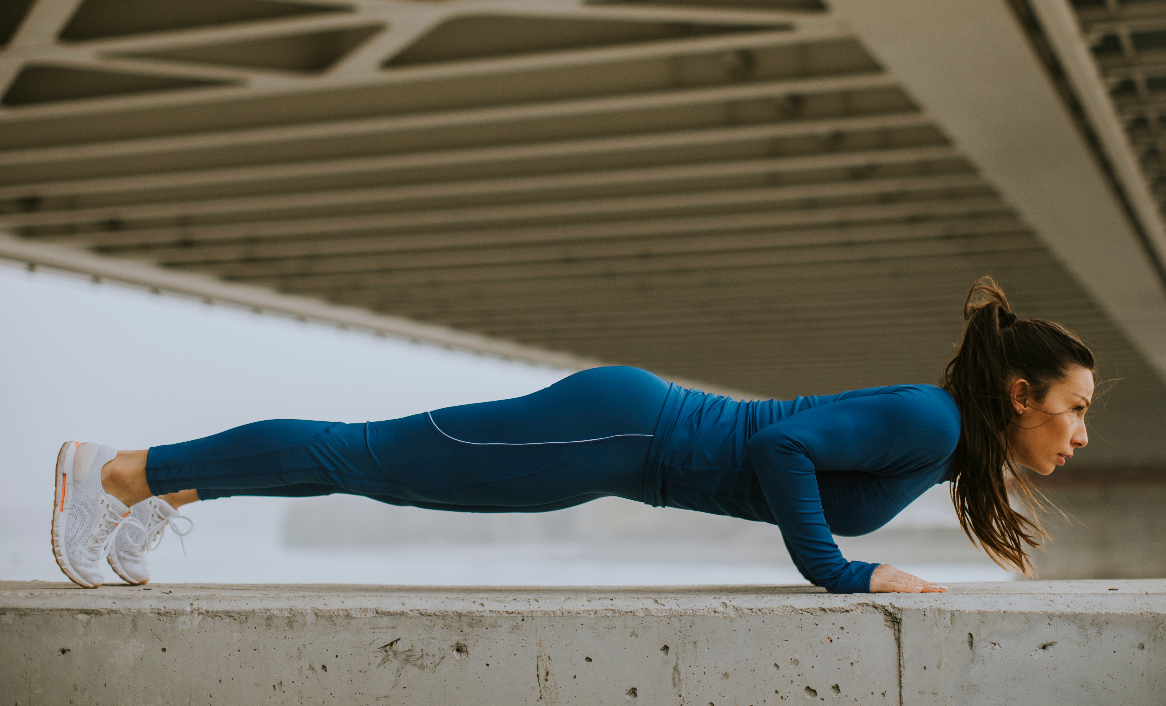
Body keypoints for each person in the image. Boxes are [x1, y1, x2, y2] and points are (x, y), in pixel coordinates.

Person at [50, 276, 1093, 594]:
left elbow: (792, 453)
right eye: (1076, 407)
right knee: (366, 457)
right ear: (1017, 393)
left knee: (377, 471)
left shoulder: (941, 438)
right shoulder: (929, 417)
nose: (1081, 431)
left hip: (618, 457)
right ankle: (121, 471)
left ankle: (168, 492)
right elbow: (783, 451)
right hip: (620, 432)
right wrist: (845, 576)